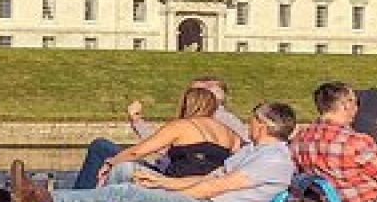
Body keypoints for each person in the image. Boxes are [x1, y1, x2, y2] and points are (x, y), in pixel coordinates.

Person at [12, 102, 297, 202]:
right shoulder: (252, 150)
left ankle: (45, 199)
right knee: (129, 173)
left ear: (263, 124)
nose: (248, 124)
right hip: (202, 195)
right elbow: (211, 177)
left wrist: (164, 184)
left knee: (127, 191)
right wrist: (158, 181)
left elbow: (215, 187)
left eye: (253, 120)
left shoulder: (274, 159)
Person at [70, 76, 248, 188]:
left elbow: (142, 150)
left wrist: (110, 163)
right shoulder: (229, 131)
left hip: (171, 179)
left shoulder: (187, 124)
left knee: (104, 150)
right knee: (116, 160)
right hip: (195, 182)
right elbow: (244, 154)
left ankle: (81, 199)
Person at [289, 82, 377, 202]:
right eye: (355, 102)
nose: (357, 108)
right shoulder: (355, 141)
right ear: (346, 105)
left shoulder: (299, 139)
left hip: (330, 201)